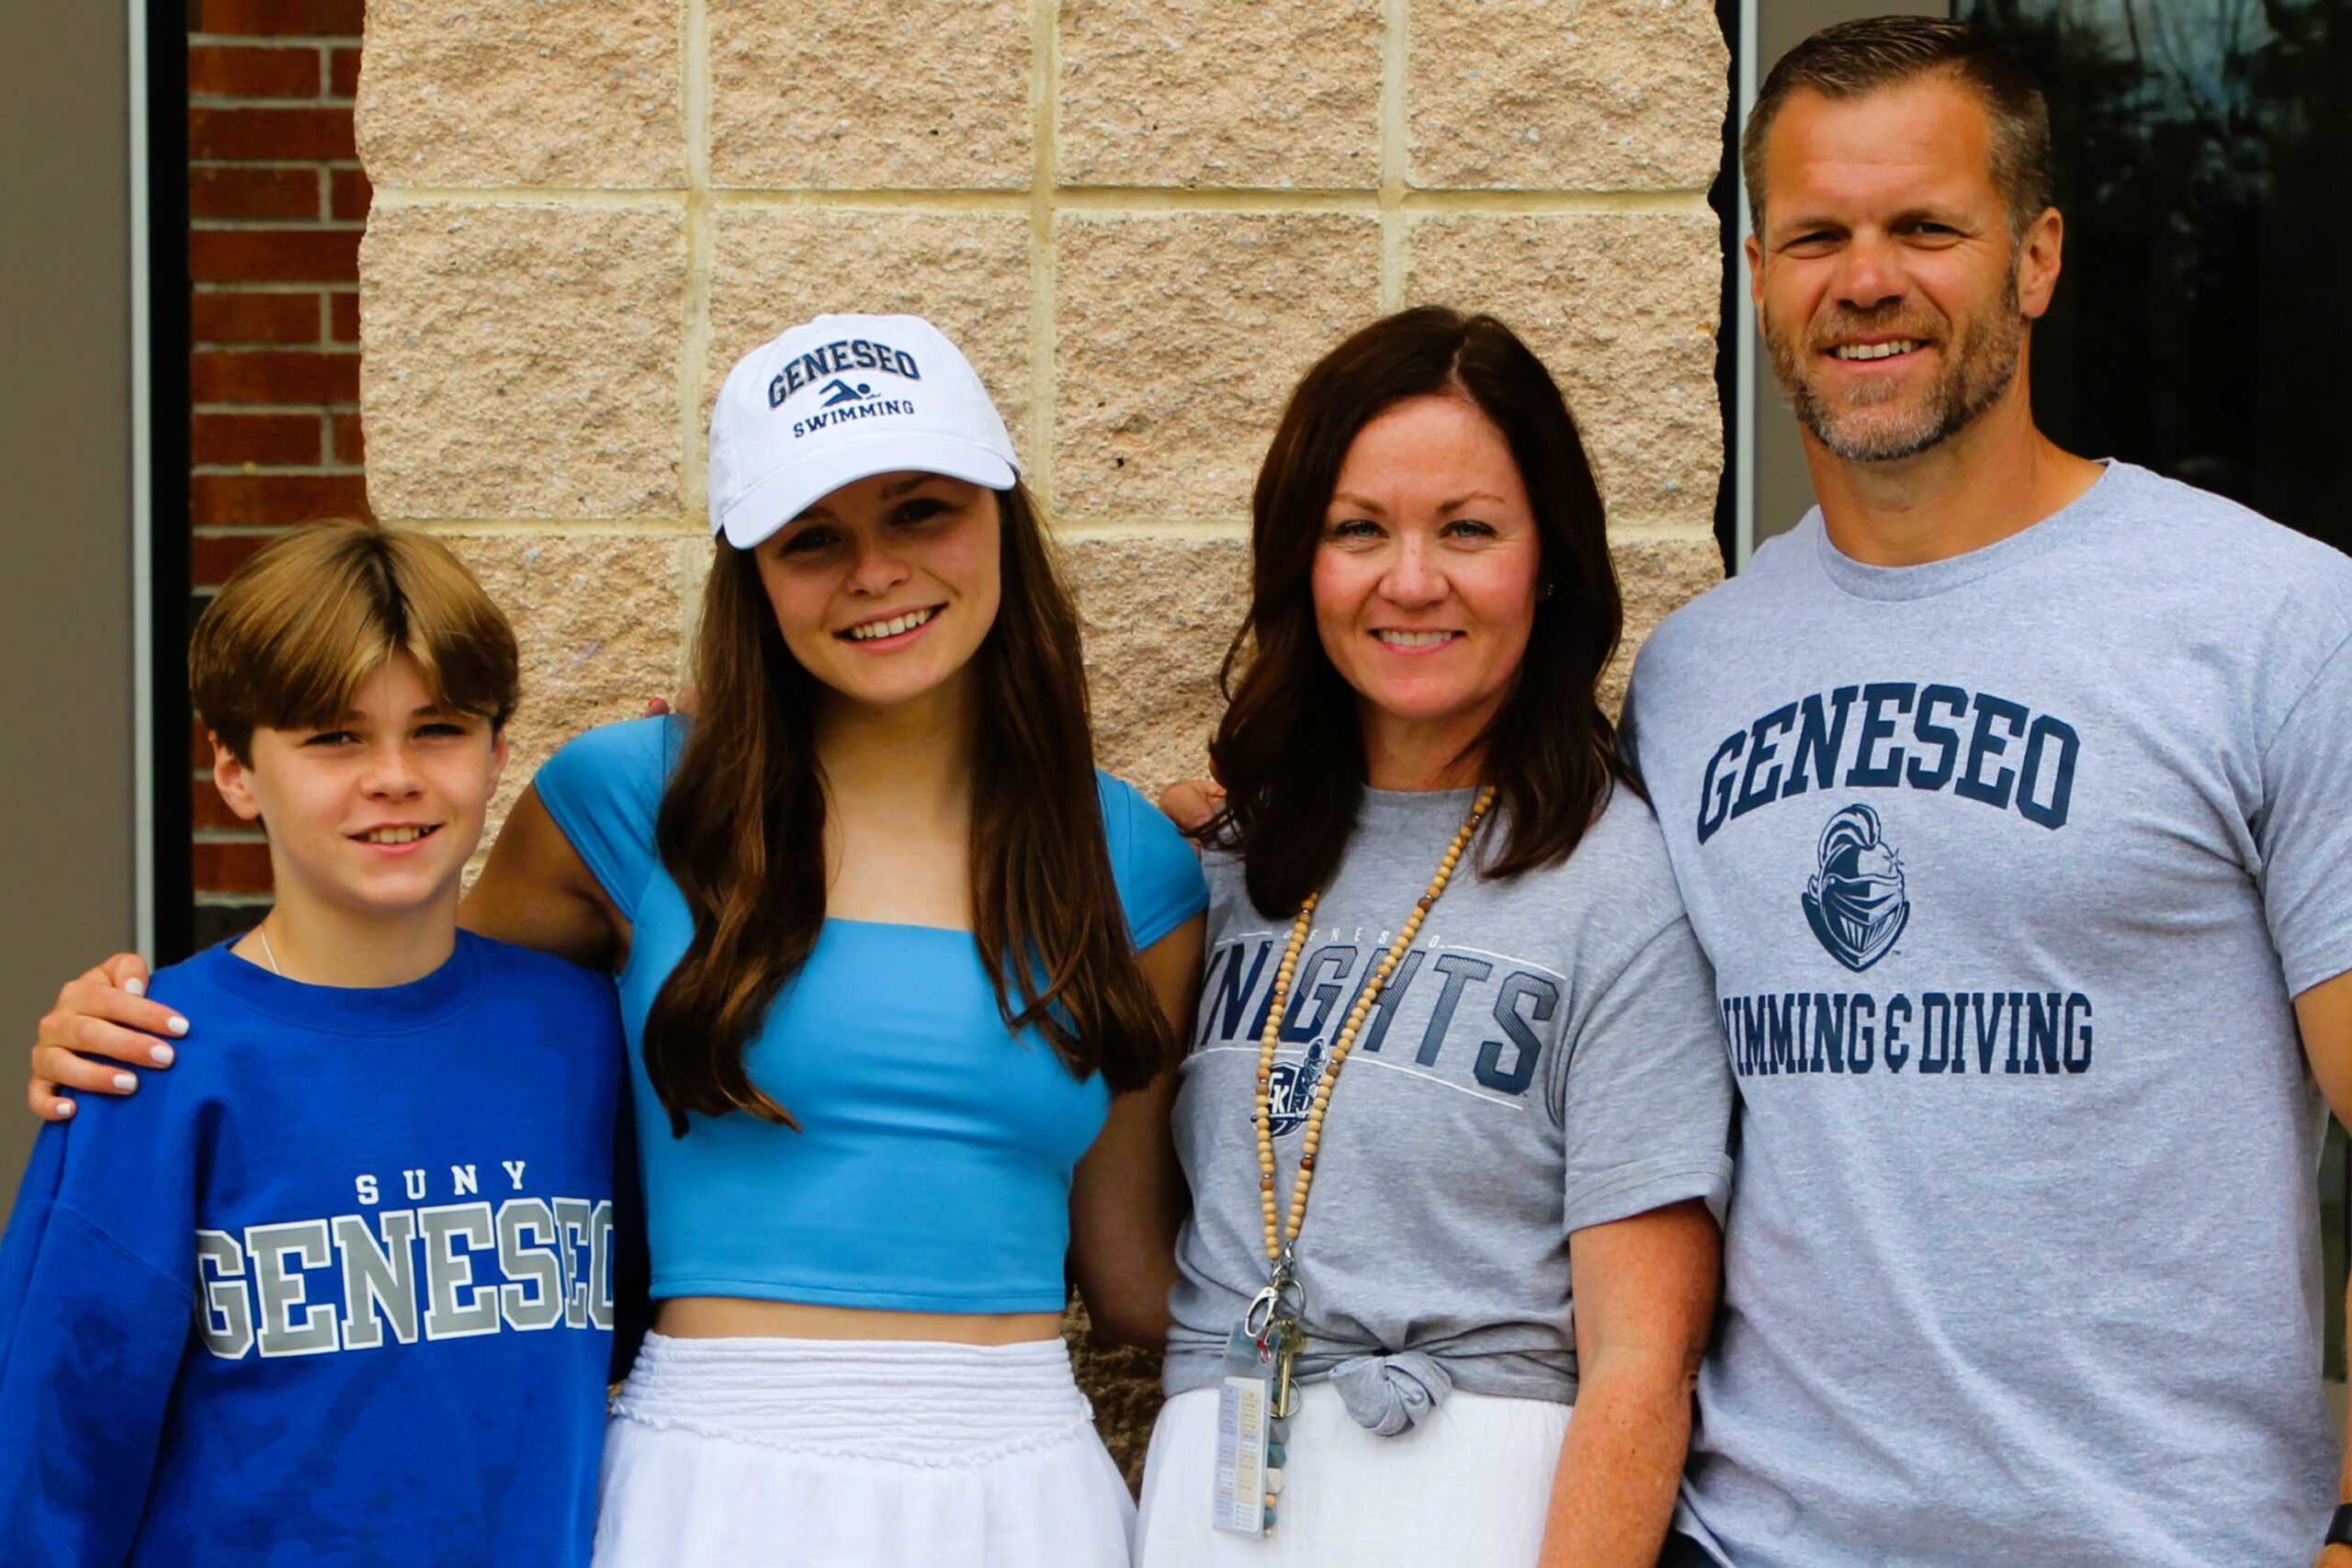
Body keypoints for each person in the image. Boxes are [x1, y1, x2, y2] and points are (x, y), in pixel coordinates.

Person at [26, 313, 1207, 1568]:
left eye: (921, 509)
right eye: (813, 536)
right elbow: (421, 1042)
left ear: (1002, 516)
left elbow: (1134, 1274)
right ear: (750, 569)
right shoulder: (633, 800)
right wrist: (158, 1034)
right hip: (712, 1476)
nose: (875, 570)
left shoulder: (1129, 856)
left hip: (1023, 1488)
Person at [1619, 19, 2352, 1567]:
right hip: (1759, 1542)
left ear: (2037, 255)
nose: (1864, 277)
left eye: (1924, 228)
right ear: (1758, 276)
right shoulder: (1693, 677)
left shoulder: (2279, 621)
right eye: (1816, 233)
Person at [1135, 306, 1735, 1567]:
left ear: (1548, 560)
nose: (1412, 580)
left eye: (1468, 528)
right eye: (1361, 530)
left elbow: (1643, 1354)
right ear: (1304, 559)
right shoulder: (1224, 864)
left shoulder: (1619, 878)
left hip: (1483, 1495)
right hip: (1217, 1483)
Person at [0, 522, 628, 1564]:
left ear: (497, 754)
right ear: (238, 773)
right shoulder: (150, 1061)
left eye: (437, 729)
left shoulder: (577, 1032)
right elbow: (53, 1466)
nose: (394, 776)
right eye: (334, 738)